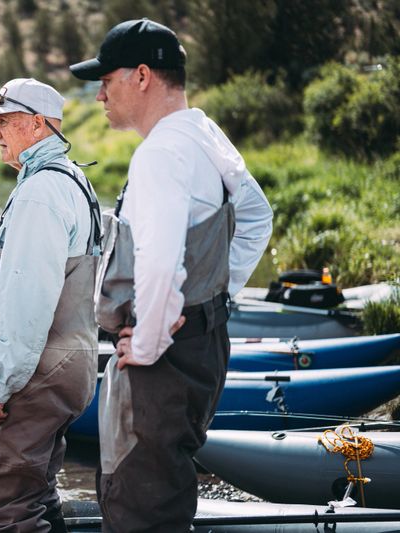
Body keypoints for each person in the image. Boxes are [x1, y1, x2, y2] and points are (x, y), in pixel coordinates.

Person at [70, 19, 273, 532]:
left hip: (163, 363)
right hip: (204, 346)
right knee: (167, 492)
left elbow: (160, 261)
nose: (100, 95)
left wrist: (152, 340)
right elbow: (257, 217)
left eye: (107, 80)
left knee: (142, 507)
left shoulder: (160, 153)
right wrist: (212, 297)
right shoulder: (204, 132)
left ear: (141, 76)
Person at [0, 78, 102, 532]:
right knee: (40, 494)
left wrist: (0, 384)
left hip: (36, 374)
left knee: (7, 508)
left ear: (36, 125)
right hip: (70, 366)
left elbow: (29, 304)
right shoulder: (74, 180)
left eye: (3, 122)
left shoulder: (38, 193)